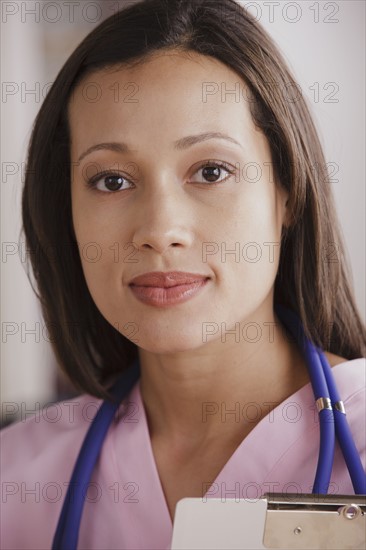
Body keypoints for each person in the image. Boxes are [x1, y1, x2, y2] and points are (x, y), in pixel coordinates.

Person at [1, 0, 365, 548]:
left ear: (286, 192)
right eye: (111, 181)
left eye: (210, 171)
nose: (160, 229)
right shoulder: (17, 477)